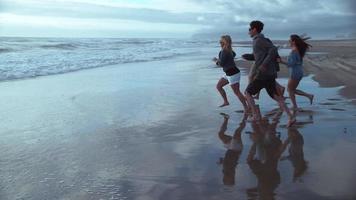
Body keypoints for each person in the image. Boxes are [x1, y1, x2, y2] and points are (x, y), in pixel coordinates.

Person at [244, 20, 295, 127]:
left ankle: (255, 115)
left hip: (264, 74)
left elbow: (273, 49)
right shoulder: (259, 40)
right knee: (276, 97)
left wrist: (264, 64)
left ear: (254, 29)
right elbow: (260, 55)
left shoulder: (259, 40)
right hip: (269, 74)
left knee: (247, 93)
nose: (248, 31)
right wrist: (249, 56)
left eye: (250, 29)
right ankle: (291, 116)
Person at [213, 35, 249, 112]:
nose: (219, 42)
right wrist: (222, 59)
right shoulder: (229, 50)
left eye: (221, 41)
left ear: (223, 42)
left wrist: (216, 61)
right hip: (229, 73)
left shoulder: (223, 51)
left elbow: (222, 64)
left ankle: (246, 107)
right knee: (219, 86)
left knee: (237, 92)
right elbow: (233, 55)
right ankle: (226, 102)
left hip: (232, 74)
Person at [278, 34, 314, 112]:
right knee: (292, 90)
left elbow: (291, 64)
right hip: (298, 71)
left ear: (294, 41)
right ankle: (308, 96)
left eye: (290, 40)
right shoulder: (297, 49)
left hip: (295, 72)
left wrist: (281, 62)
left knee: (290, 90)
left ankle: (295, 106)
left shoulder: (294, 51)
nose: (288, 41)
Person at [217, 113, 247, 185]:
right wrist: (223, 162)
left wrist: (222, 161)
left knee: (220, 134)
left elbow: (227, 162)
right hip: (236, 148)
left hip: (230, 148)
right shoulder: (231, 171)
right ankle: (246, 117)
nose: (226, 178)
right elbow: (231, 162)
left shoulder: (225, 171)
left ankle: (226, 118)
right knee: (237, 132)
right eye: (229, 180)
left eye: (226, 180)